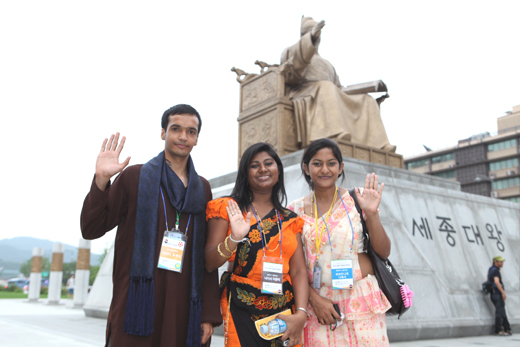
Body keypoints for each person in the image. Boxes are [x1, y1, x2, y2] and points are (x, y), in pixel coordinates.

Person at [80, 104, 221, 347]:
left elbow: (205, 257)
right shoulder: (135, 177)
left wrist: (207, 315)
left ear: (197, 139)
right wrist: (102, 179)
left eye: (191, 131)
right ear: (163, 133)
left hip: (185, 303)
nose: (183, 137)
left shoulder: (202, 188)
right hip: (138, 304)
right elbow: (91, 228)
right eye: (176, 129)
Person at [287, 138, 391, 346]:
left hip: (361, 300)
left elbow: (384, 251)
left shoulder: (358, 201)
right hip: (319, 306)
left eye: (331, 163)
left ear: (340, 167)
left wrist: (372, 215)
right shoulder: (294, 211)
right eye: (317, 163)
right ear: (306, 168)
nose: (324, 169)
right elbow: (294, 267)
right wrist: (314, 301)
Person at [205, 142, 309, 347]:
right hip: (239, 307)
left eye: (268, 163)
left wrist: (301, 314)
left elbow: (298, 272)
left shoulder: (290, 220)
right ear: (245, 172)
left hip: (284, 311)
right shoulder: (228, 207)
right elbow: (209, 263)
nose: (262, 169)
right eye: (254, 165)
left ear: (278, 170)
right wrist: (234, 238)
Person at [281, 17, 396, 152]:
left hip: (328, 93)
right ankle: (334, 133)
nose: (316, 36)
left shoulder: (327, 64)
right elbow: (292, 73)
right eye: (311, 32)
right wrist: (310, 38)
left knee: (367, 100)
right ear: (303, 35)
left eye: (317, 33)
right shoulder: (290, 52)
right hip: (304, 94)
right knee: (326, 87)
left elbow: (339, 89)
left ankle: (380, 144)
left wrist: (367, 89)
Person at [487, 256, 512, 336]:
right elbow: (497, 282)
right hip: (497, 294)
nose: (502, 263)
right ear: (496, 262)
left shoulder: (490, 269)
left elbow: (488, 280)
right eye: (500, 262)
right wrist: (503, 292)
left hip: (493, 294)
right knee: (499, 311)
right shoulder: (496, 271)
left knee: (502, 311)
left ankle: (507, 328)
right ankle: (498, 330)